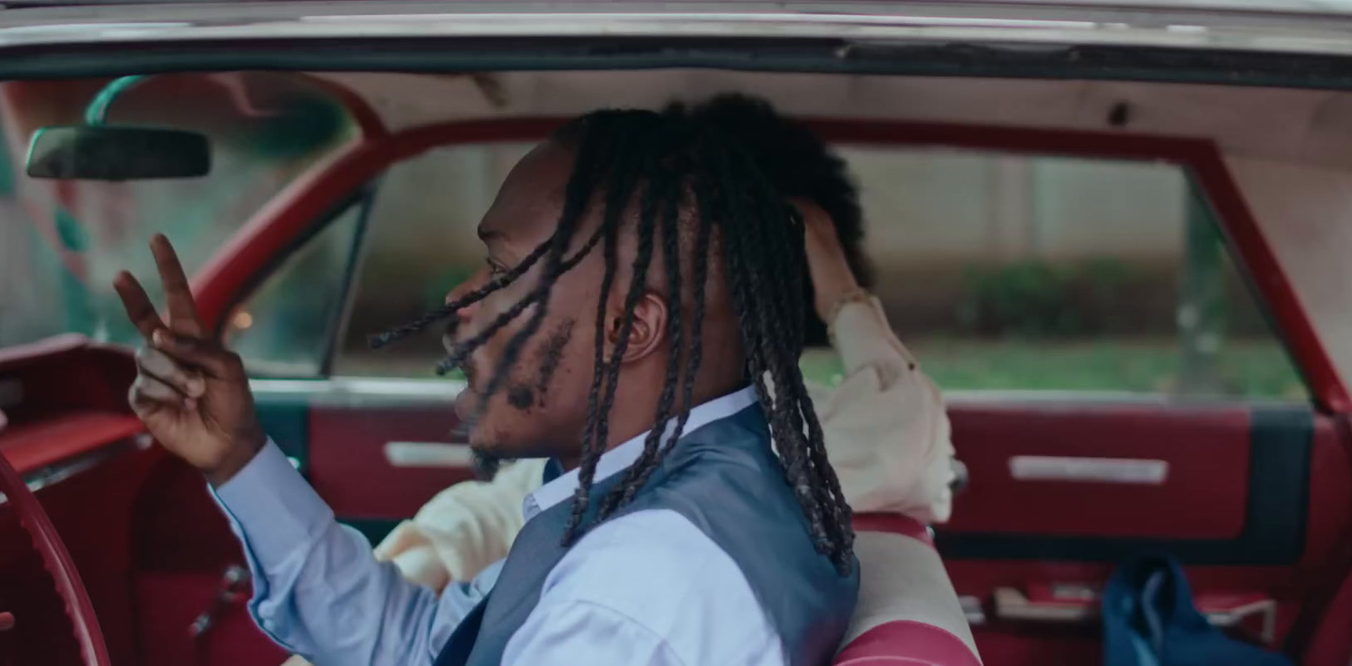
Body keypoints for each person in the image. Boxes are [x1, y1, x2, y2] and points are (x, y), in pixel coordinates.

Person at [118, 103, 876, 666]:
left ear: (630, 329)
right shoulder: (682, 486)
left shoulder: (627, 596)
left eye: (504, 270)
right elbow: (420, 647)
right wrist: (241, 455)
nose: (459, 298)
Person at [361, 97, 956, 594]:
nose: (466, 298)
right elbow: (492, 513)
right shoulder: (618, 444)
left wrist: (831, 273)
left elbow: (904, 437)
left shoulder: (779, 451)